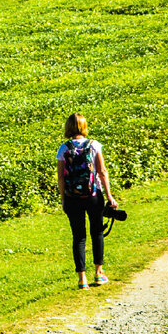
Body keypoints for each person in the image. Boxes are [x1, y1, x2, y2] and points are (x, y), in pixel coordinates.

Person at [56, 112, 118, 289]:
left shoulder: (64, 148)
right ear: (84, 126)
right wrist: (110, 196)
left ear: (68, 127)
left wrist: (63, 199)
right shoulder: (94, 145)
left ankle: (82, 278)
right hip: (93, 196)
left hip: (72, 197)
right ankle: (99, 273)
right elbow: (102, 172)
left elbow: (61, 178)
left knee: (78, 237)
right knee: (97, 232)